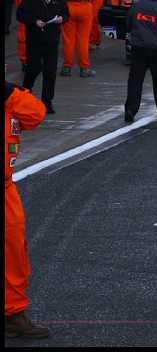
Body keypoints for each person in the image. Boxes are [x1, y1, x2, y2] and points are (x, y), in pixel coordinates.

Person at [5, 62, 50, 338]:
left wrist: (9, 93)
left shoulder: (11, 98)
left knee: (14, 254)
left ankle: (12, 314)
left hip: (5, 188)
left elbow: (36, 116)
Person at [17, 0, 70, 114]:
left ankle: (47, 102)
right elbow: (20, 14)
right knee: (33, 69)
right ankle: (24, 96)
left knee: (50, 72)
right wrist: (34, 22)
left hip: (52, 40)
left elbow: (66, 14)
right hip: (35, 39)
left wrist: (62, 19)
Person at [61, 0, 96, 78]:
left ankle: (67, 67)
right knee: (83, 40)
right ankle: (84, 68)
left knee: (68, 39)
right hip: (85, 7)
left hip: (69, 7)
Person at [14, 0, 42, 71]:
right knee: (23, 40)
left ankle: (36, 60)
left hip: (40, 15)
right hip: (28, 16)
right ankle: (25, 62)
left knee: (39, 39)